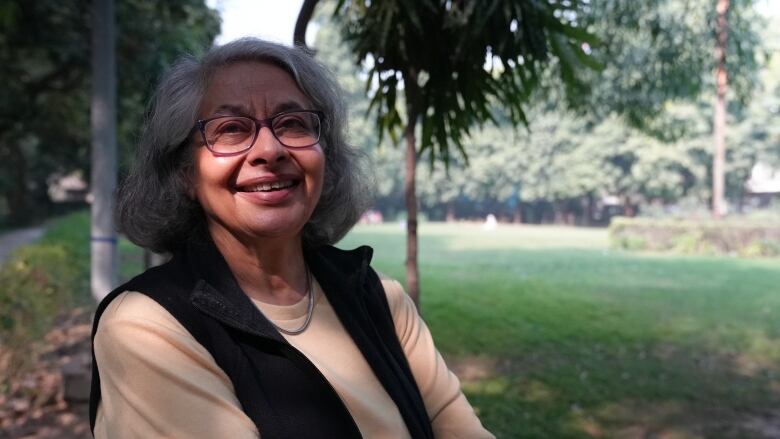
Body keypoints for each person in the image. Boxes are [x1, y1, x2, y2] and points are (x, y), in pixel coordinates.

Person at [89, 38, 494, 438]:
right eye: (230, 128)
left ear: (326, 156)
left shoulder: (380, 299)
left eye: (293, 123)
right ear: (185, 173)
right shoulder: (147, 327)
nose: (270, 149)